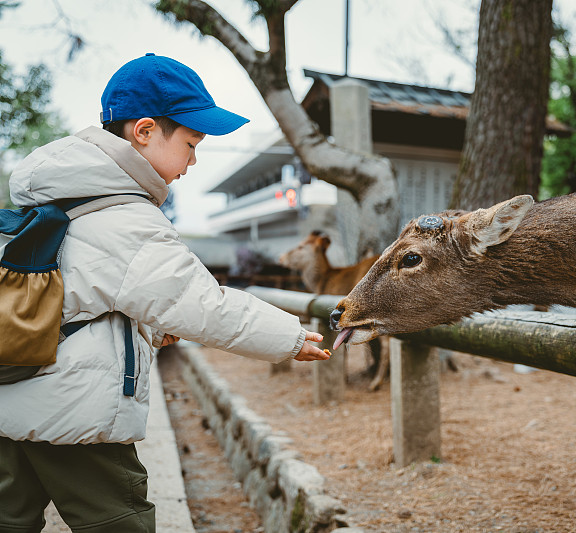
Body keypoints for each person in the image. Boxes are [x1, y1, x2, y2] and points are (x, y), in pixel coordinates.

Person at [0, 53, 330, 532]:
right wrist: (289, 337)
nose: (193, 162)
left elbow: (79, 296)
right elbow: (202, 303)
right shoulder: (124, 218)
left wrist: (151, 330)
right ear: (145, 131)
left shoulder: (63, 196)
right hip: (73, 411)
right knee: (122, 520)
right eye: (191, 145)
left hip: (16, 392)